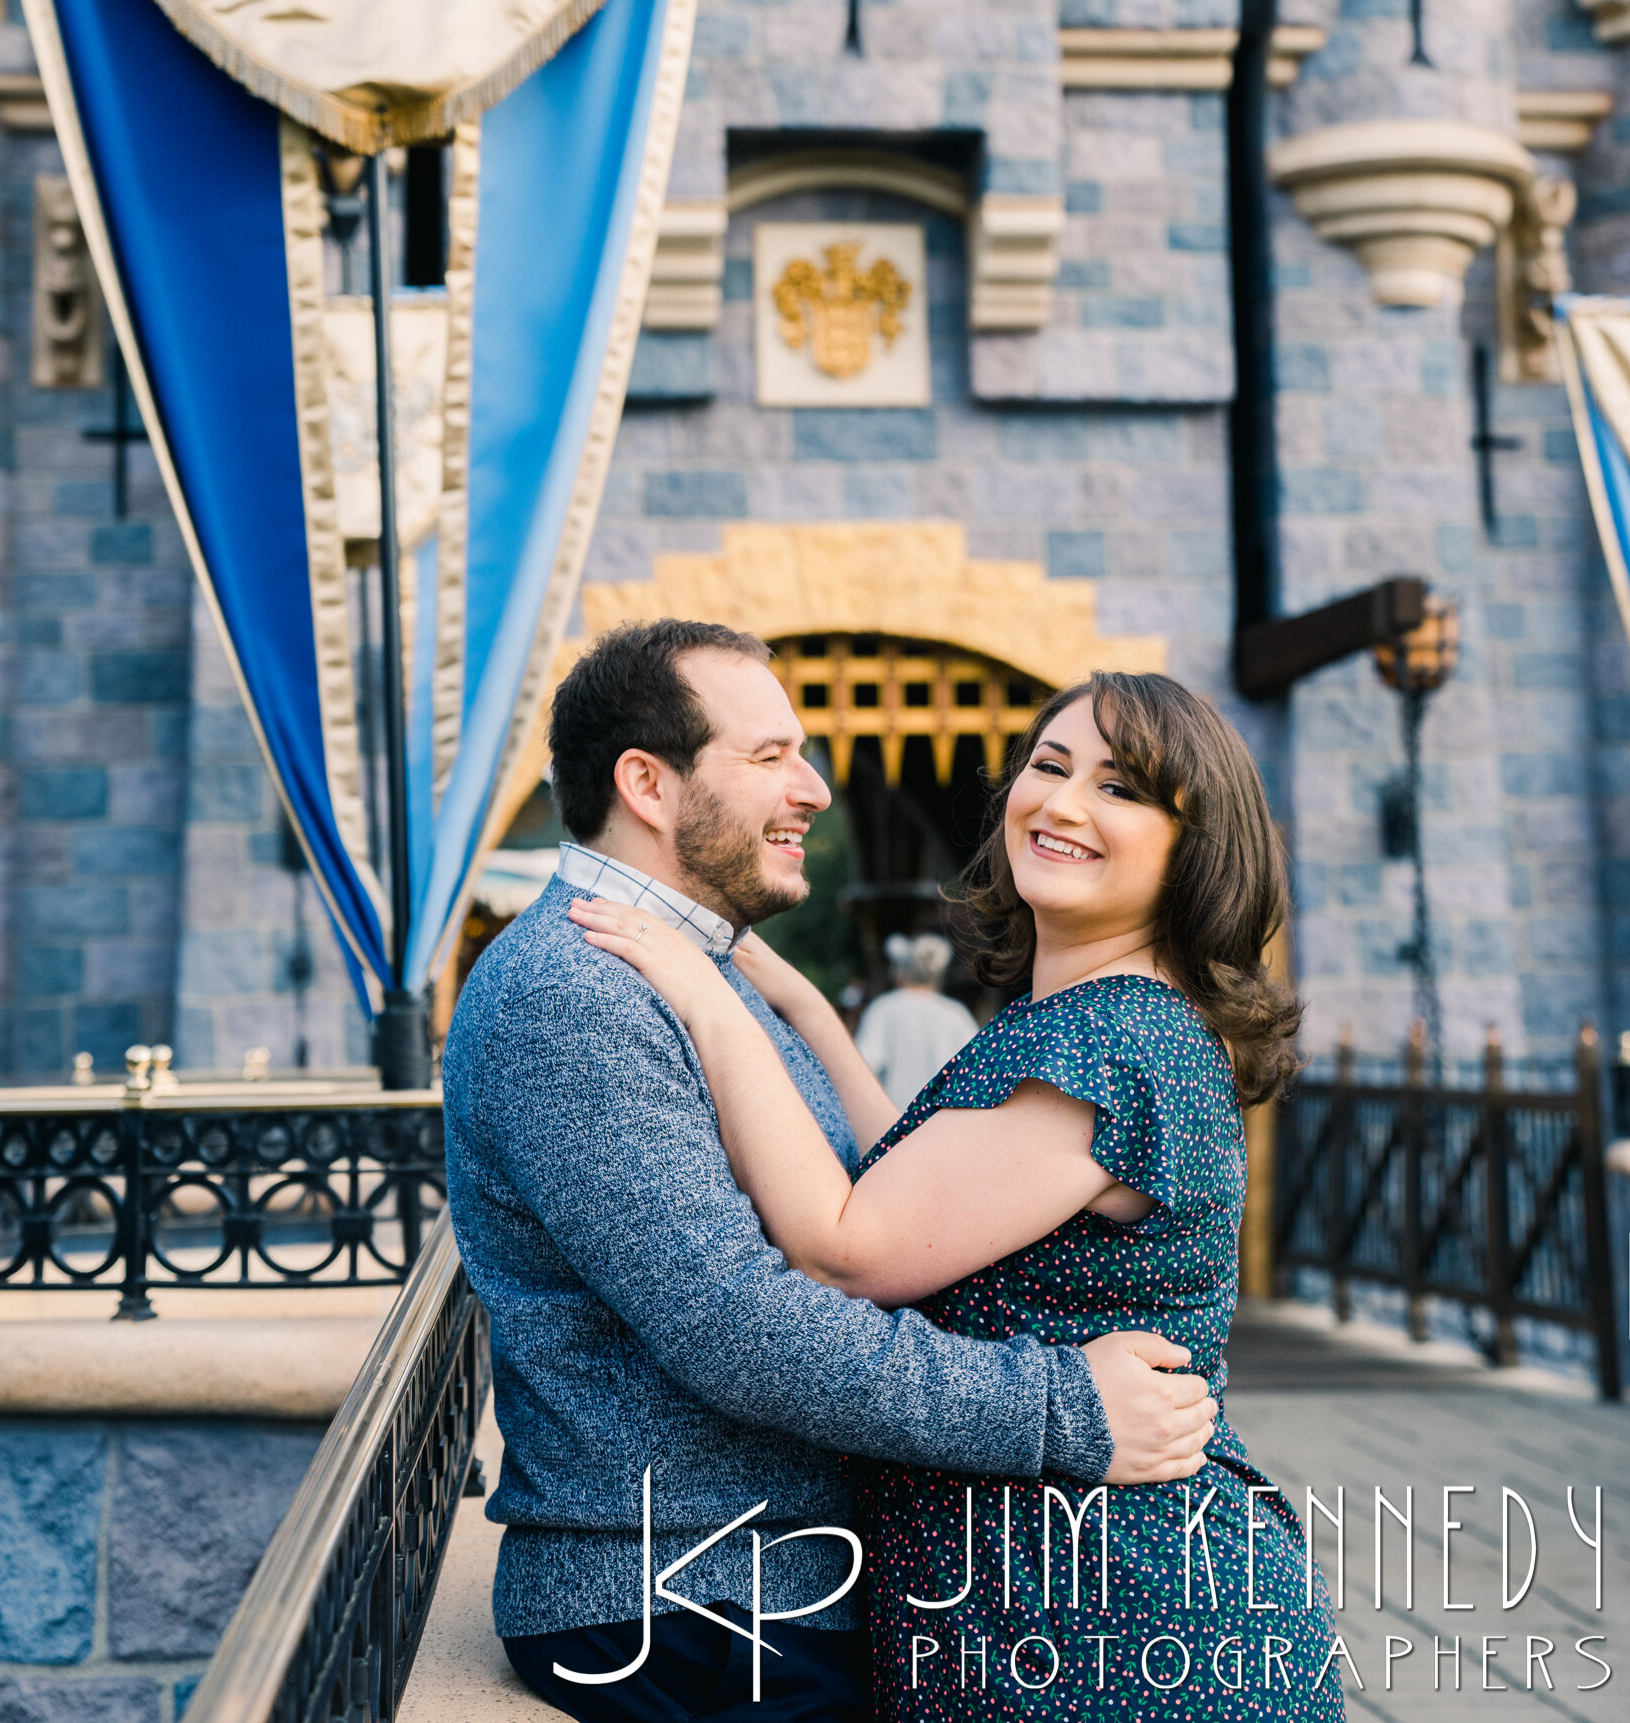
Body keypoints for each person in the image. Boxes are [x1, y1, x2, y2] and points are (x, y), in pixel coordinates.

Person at [442, 623, 1223, 1723]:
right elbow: (747, 1327)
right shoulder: (579, 992)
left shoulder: (695, 973)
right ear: (647, 785)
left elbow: (878, 1190)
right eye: (769, 756)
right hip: (693, 1608)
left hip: (770, 1583)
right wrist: (1064, 1409)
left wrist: (792, 1000)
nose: (811, 785)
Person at [576, 667, 1348, 1719]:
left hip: (1113, 1623)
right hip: (1062, 1603)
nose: (1062, 802)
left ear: (1193, 848)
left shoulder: (1110, 1040)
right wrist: (799, 998)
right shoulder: (1093, 1020)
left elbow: (845, 1246)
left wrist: (704, 1000)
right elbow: (904, 1166)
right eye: (1048, 764)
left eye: (1121, 789)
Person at [855, 934, 976, 1111]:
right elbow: (974, 1068)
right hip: (942, 1121)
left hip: (893, 1119)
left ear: (900, 973)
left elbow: (865, 1067)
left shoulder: (884, 1008)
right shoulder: (956, 1014)